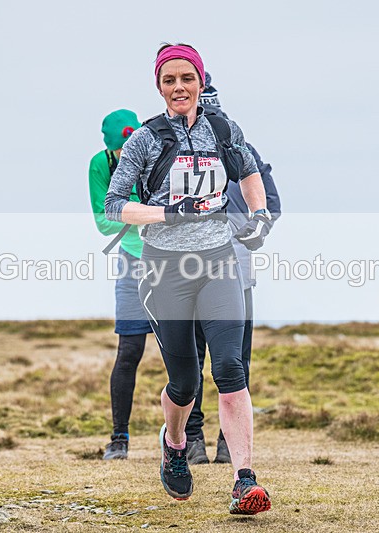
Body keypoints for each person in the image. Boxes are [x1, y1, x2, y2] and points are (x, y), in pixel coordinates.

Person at [104, 43, 272, 515]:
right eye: (169, 80)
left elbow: (249, 171)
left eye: (187, 78)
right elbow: (115, 205)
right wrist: (167, 214)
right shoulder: (146, 139)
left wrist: (259, 215)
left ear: (200, 82)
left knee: (231, 369)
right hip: (165, 268)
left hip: (218, 262)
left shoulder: (224, 128)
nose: (179, 87)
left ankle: (244, 480)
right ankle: (175, 444)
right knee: (184, 382)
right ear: (159, 87)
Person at [184, 73, 282, 466]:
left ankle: (224, 443)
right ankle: (193, 439)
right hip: (191, 272)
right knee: (194, 361)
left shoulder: (241, 150)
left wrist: (247, 232)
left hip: (235, 272)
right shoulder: (175, 150)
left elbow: (270, 204)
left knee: (227, 361)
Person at [88, 109, 152, 460]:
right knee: (129, 352)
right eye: (119, 151)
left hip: (172, 262)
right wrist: (143, 212)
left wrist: (127, 210)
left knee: (182, 354)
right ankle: (119, 438)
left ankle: (189, 440)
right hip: (131, 263)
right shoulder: (100, 165)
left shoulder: (155, 153)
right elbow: (103, 223)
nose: (125, 156)